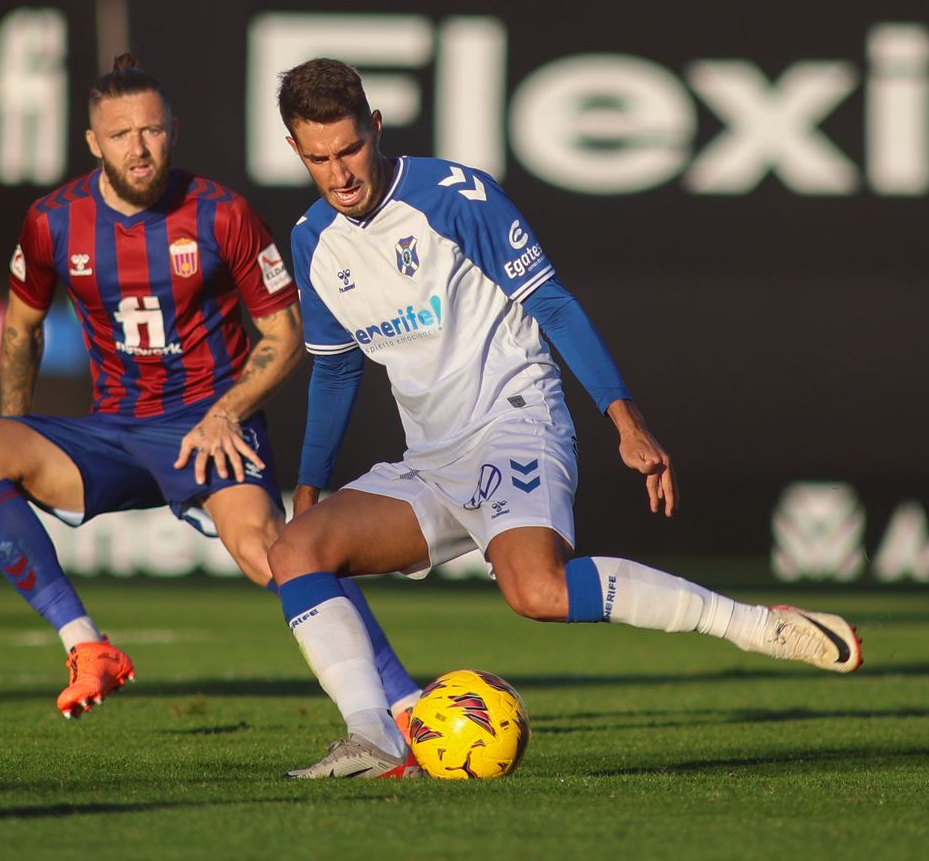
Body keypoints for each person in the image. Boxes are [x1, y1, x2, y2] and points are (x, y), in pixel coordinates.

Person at [266, 57, 862, 780]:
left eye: (351, 148)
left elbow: (552, 304)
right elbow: (334, 368)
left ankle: (758, 626)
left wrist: (624, 418)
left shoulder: (455, 197)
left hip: (513, 420)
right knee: (293, 549)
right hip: (430, 457)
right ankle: (373, 736)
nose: (340, 174)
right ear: (296, 150)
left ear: (376, 128)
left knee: (537, 592)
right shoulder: (312, 239)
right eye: (319, 157)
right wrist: (308, 489)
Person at [0, 54, 421, 726]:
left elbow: (282, 335)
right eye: (119, 134)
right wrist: (18, 429)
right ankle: (85, 645)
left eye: (150, 130)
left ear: (173, 127)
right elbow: (21, 331)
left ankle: (402, 704)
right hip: (112, 432)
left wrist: (226, 412)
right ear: (92, 142)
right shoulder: (53, 220)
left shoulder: (220, 212)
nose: (137, 148)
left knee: (278, 555)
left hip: (209, 426)